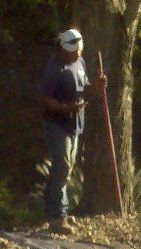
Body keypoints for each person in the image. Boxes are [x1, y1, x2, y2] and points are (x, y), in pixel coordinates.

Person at [41, 27, 88, 231]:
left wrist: (98, 87)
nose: (76, 55)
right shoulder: (54, 68)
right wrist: (66, 108)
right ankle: (58, 216)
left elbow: (85, 87)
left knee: (66, 169)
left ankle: (55, 211)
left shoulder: (80, 62)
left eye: (79, 52)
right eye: (73, 53)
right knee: (62, 166)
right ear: (63, 50)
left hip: (75, 124)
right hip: (57, 124)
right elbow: (46, 99)